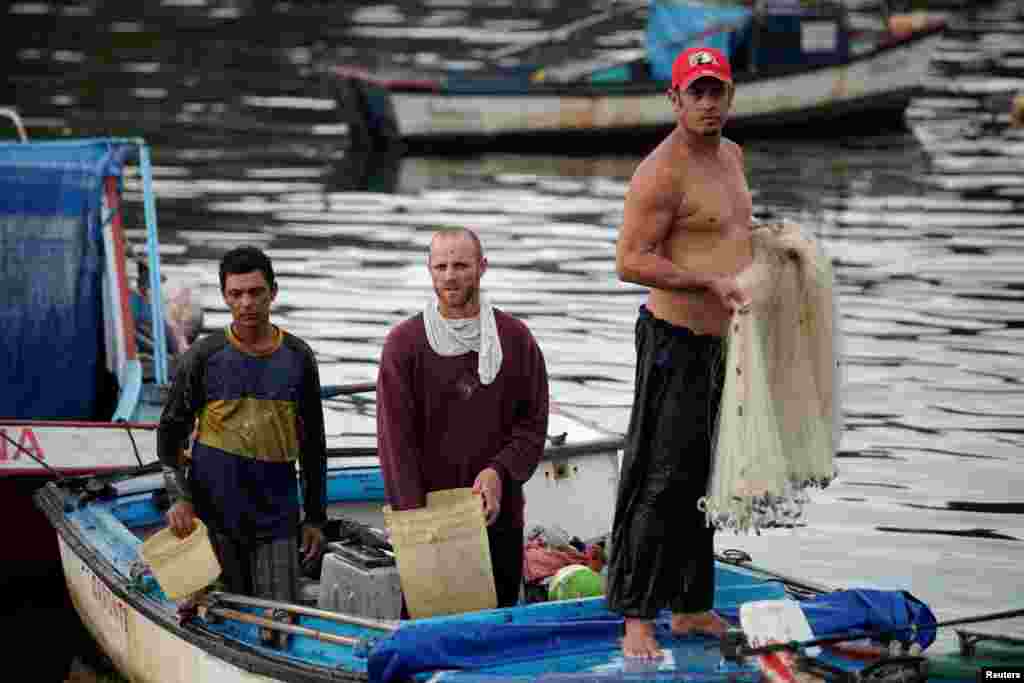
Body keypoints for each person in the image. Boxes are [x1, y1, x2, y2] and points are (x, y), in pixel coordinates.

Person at [606, 45, 754, 659]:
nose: (708, 103)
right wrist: (705, 283)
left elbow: (730, 236)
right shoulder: (660, 171)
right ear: (675, 99)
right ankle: (637, 613)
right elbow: (629, 262)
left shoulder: (735, 157)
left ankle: (692, 607)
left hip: (726, 342)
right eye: (696, 92)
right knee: (661, 477)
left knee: (707, 475)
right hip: (674, 342)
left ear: (730, 96)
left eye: (716, 90)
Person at [376, 227, 549, 610]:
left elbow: (533, 425)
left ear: (482, 267)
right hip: (429, 523)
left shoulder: (516, 339)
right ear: (429, 270)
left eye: (461, 265)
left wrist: (499, 471)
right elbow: (394, 442)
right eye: (441, 266)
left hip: (497, 517)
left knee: (497, 630)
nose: (450, 276)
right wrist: (413, 523)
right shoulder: (403, 344)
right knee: (429, 630)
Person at [156, 245, 327, 609]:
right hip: (214, 515)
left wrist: (314, 518)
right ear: (224, 297)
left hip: (277, 518)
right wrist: (179, 498)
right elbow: (169, 435)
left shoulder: (298, 357)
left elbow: (313, 446)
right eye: (236, 294)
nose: (246, 302)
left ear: (273, 293)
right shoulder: (203, 356)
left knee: (281, 621)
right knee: (219, 617)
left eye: (255, 292)